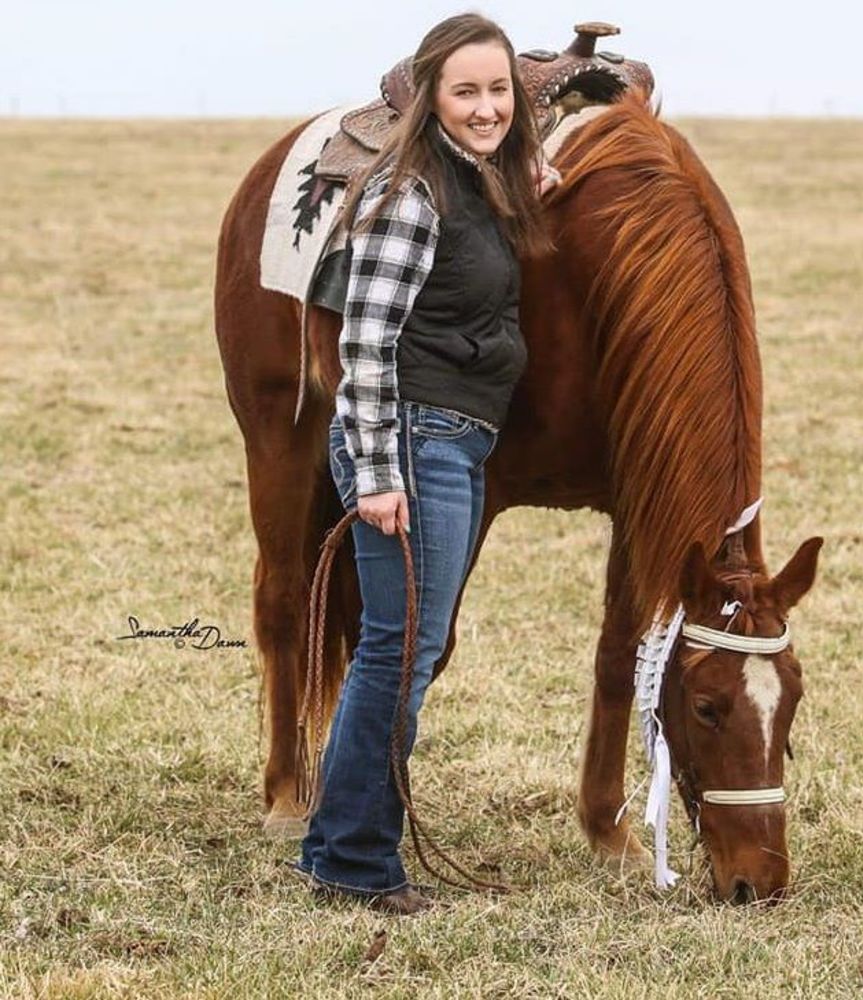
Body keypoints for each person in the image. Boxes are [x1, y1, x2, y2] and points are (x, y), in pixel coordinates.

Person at [296, 13, 559, 915]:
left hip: (448, 438)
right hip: (414, 440)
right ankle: (356, 864)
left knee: (400, 649)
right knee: (397, 653)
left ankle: (338, 845)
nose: (486, 108)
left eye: (498, 92)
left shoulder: (474, 179)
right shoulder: (410, 194)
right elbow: (366, 346)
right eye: (466, 92)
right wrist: (375, 476)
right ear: (432, 100)